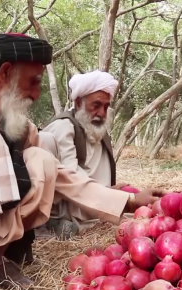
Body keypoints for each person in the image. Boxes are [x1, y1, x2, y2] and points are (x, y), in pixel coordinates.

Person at [0, 33, 162, 290]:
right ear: (5, 73)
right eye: (33, 82)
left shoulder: (15, 124)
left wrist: (129, 201)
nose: (36, 94)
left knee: (41, 161)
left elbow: (63, 175)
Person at [40, 71, 130, 236]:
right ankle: (51, 222)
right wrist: (112, 195)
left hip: (97, 202)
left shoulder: (98, 130)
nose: (102, 113)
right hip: (71, 202)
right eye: (96, 106)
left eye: (106, 106)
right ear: (79, 102)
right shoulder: (64, 126)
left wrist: (112, 191)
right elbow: (70, 179)